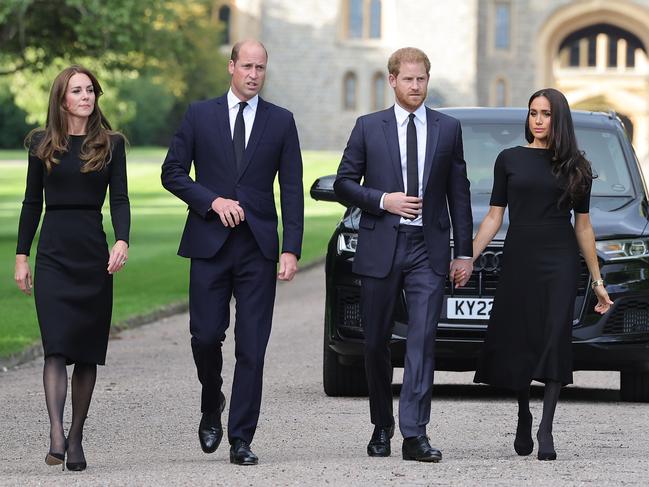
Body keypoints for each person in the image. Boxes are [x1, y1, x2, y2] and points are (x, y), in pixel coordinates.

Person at [161, 39, 303, 465]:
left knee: (252, 347)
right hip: (209, 244)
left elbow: (292, 190)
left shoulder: (281, 121)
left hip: (257, 248)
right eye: (247, 66)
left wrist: (291, 248)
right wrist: (211, 201)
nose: (254, 74)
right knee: (206, 337)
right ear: (231, 67)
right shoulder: (200, 115)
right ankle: (211, 400)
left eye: (260, 67)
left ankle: (241, 437)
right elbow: (172, 172)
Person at [334, 47, 473, 462]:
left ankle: (415, 433)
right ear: (392, 80)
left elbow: (459, 195)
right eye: (408, 79)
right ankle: (382, 423)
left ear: (428, 80)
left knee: (422, 340)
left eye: (422, 79)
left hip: (426, 251)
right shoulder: (367, 127)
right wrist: (383, 200)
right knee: (375, 342)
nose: (415, 86)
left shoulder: (448, 128)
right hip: (381, 246)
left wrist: (462, 253)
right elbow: (343, 183)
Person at [471, 88, 613, 461]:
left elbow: (583, 227)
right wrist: (468, 257)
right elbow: (494, 216)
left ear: (558, 119)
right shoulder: (509, 159)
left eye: (546, 114)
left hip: (560, 258)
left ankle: (546, 426)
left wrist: (597, 283)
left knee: (555, 335)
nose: (537, 120)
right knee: (522, 336)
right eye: (533, 112)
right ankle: (523, 412)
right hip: (520, 256)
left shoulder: (577, 167)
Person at [14, 65, 130, 472]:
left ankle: (77, 435)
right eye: (77, 90)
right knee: (56, 347)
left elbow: (120, 199)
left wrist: (122, 239)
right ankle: (56, 434)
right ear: (62, 98)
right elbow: (31, 203)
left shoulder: (111, 144)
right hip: (53, 254)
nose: (86, 96)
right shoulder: (41, 144)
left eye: (90, 90)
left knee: (86, 353)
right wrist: (21, 256)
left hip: (92, 255)